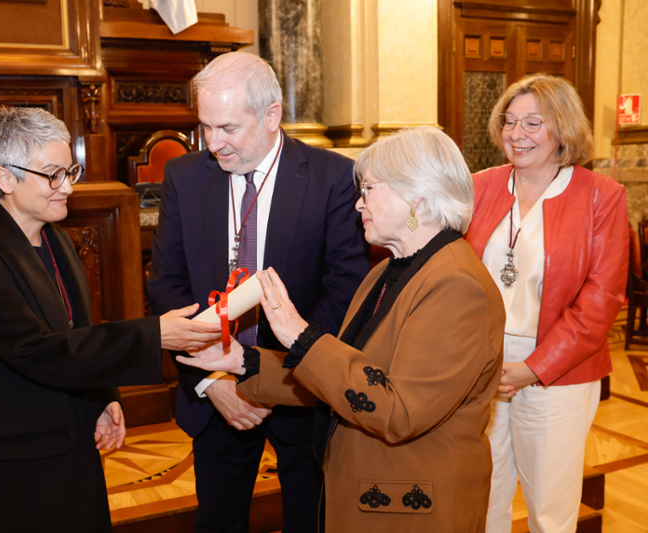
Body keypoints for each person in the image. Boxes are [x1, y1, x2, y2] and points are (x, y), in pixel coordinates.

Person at [178, 127, 506, 532]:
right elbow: (347, 378)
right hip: (371, 489)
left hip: (415, 505)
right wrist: (242, 361)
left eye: (369, 189)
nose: (358, 204)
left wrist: (301, 336)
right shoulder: (387, 270)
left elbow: (399, 410)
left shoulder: (456, 285)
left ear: (416, 196)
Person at [0, 106, 220, 533]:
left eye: (71, 171)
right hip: (2, 456)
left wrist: (102, 397)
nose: (67, 187)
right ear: (5, 178)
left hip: (61, 439)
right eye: (53, 174)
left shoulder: (57, 240)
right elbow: (37, 351)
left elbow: (77, 331)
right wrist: (154, 334)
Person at [147, 51, 369, 532]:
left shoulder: (333, 178)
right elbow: (167, 286)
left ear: (271, 116)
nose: (214, 143)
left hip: (301, 393)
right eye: (205, 127)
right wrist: (215, 383)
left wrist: (274, 378)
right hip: (216, 396)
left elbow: (343, 293)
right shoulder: (185, 177)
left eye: (227, 128)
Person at [465, 74, 629, 533]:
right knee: (482, 494)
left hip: (559, 372)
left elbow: (601, 299)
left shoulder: (601, 196)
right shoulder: (480, 187)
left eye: (533, 123)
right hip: (483, 364)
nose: (517, 134)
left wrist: (532, 368)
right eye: (509, 122)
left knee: (550, 511)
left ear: (563, 128)